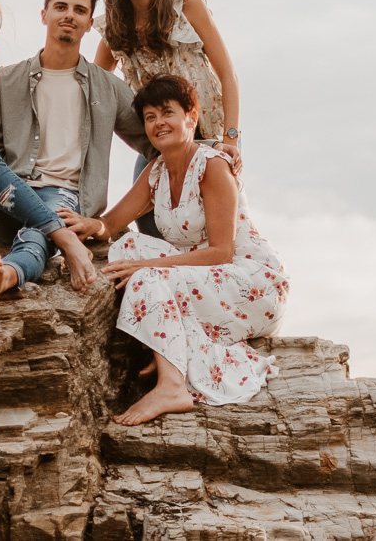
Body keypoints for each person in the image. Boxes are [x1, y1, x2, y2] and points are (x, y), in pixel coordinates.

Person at [61, 74, 288, 425]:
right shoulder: (156, 171)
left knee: (147, 274)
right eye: (150, 117)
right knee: (128, 247)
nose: (158, 123)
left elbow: (220, 253)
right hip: (202, 275)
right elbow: (113, 224)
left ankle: (172, 385)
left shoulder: (212, 167)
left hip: (249, 281)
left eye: (167, 112)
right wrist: (92, 225)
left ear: (191, 117)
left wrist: (149, 266)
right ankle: (167, 346)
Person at [0, 0, 153, 309]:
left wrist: (111, 222)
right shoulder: (5, 80)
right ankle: (64, 239)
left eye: (79, 10)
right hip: (9, 198)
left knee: (37, 233)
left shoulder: (109, 88)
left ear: (90, 23)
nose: (69, 15)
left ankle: (6, 275)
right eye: (60, 7)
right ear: (44, 14)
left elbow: (158, 150)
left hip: (65, 198)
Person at [94, 0, 243, 234]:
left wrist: (231, 138)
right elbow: (96, 84)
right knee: (149, 222)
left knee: (218, 224)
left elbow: (228, 73)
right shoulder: (116, 25)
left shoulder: (187, 6)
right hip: (160, 140)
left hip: (210, 132)